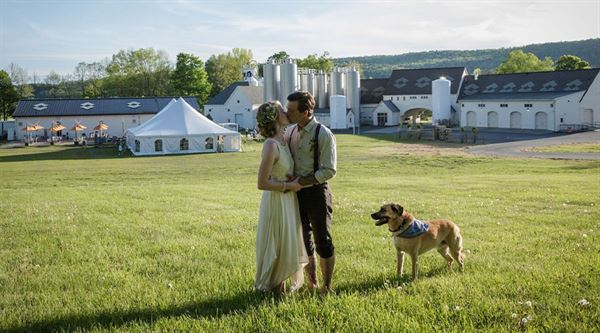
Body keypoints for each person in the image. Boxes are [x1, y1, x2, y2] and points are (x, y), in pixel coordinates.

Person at [285, 91, 337, 293]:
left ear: (305, 112)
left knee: (322, 239)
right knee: (303, 240)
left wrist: (301, 181)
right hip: (294, 194)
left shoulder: (322, 134)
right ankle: (312, 283)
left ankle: (327, 286)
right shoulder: (289, 132)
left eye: (291, 110)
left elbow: (329, 170)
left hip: (316, 193)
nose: (287, 113)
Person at [255, 101, 307, 294]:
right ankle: (275, 289)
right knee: (278, 242)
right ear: (275, 117)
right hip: (276, 201)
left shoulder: (284, 140)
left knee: (288, 243)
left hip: (288, 200)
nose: (286, 111)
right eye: (281, 110)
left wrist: (293, 181)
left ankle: (281, 288)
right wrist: (289, 186)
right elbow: (262, 183)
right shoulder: (270, 145)